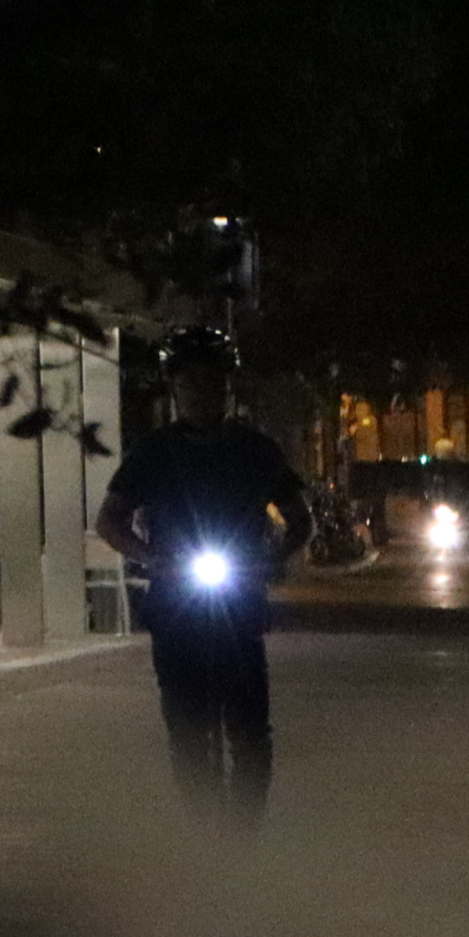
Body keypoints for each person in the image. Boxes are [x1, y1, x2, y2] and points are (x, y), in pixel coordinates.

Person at [94, 326, 317, 818]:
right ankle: (198, 827)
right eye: (189, 382)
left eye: (211, 381)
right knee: (186, 726)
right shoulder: (154, 452)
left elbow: (301, 519)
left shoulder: (256, 449)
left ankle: (244, 832)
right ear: (174, 388)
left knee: (251, 729)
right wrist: (151, 557)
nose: (201, 391)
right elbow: (109, 519)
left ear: (227, 386)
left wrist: (271, 559)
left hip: (239, 600)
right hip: (175, 602)